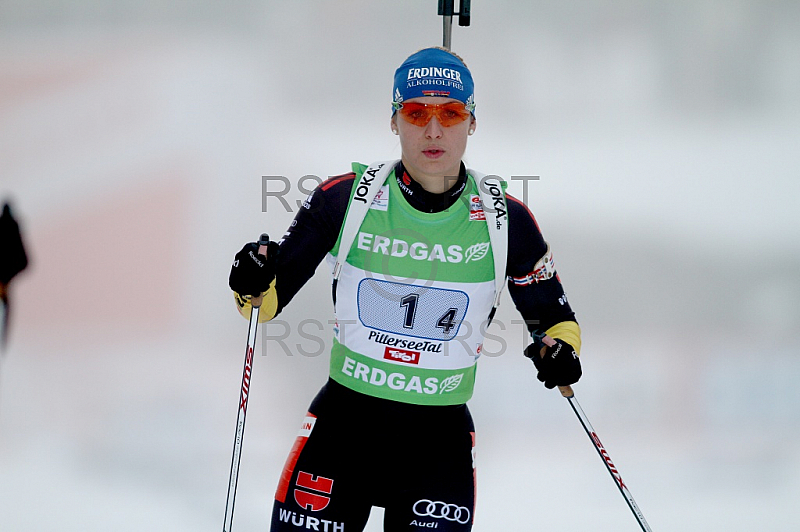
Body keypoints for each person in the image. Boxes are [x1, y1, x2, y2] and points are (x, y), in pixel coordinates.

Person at [228, 47, 582, 532]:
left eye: (450, 113)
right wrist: (249, 276)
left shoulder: (506, 220)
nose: (433, 130)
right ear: (394, 121)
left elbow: (555, 320)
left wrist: (559, 352)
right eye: (416, 113)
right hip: (343, 429)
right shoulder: (345, 198)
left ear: (472, 122)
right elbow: (263, 303)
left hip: (437, 446)